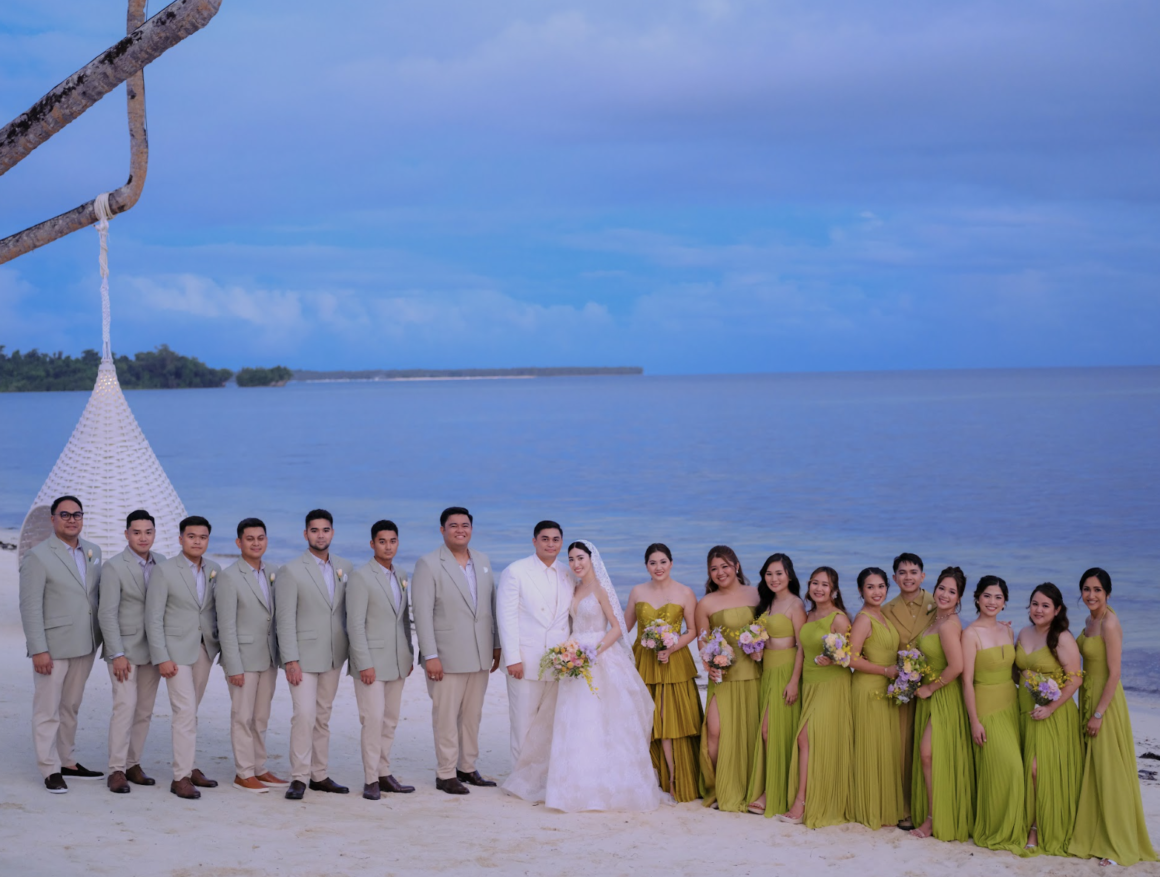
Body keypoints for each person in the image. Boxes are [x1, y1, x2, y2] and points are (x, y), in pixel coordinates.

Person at [503, 541, 668, 811]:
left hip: (599, 657)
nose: (576, 564)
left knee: (602, 719)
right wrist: (569, 654)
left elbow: (617, 628)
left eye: (580, 558)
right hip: (574, 658)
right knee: (572, 719)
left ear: (592, 559)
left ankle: (605, 784)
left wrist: (593, 652)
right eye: (571, 559)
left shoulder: (601, 589)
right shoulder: (575, 587)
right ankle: (571, 784)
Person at [1069, 568, 1157, 867]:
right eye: (1086, 589)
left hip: (1104, 702)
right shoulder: (1089, 620)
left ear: (1107, 593)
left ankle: (1118, 843)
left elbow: (1116, 673)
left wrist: (1098, 714)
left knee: (1110, 771)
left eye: (1097, 590)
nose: (1091, 595)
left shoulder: (1110, 623)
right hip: (1088, 695)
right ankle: (1097, 833)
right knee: (1094, 768)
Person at [411, 507, 501, 795]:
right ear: (443, 530)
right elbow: (422, 613)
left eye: (465, 525)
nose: (460, 530)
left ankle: (467, 767)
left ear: (471, 529)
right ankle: (446, 773)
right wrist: (430, 655)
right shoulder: (428, 564)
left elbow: (491, 606)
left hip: (480, 654)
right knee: (446, 717)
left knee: (472, 716)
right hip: (446, 657)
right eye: (453, 525)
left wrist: (496, 644)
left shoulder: (483, 561)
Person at [19, 495, 105, 793]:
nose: (71, 519)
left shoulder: (94, 551)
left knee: (71, 706)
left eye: (76, 514)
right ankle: (49, 768)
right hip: (52, 646)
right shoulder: (37, 556)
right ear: (53, 519)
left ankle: (67, 760)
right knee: (47, 709)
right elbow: (30, 606)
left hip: (86, 642)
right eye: (65, 514)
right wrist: (38, 649)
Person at [274, 509, 353, 800]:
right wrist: (290, 659)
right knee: (304, 715)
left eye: (325, 530)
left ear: (333, 532)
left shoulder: (345, 567)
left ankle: (319, 775)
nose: (321, 535)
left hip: (334, 654)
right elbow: (284, 619)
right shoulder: (291, 570)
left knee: (322, 716)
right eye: (315, 530)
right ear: (305, 534)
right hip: (303, 657)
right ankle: (299, 776)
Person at [144, 515, 221, 800]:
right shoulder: (164, 571)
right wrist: (161, 657)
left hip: (203, 649)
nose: (197, 541)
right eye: (191, 536)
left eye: (202, 537)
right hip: (175, 652)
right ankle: (181, 777)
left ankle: (190, 765)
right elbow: (153, 617)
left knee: (191, 710)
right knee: (185, 710)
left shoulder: (214, 569)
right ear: (180, 539)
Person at [625, 543, 702, 802]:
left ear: (671, 563)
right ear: (646, 565)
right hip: (643, 662)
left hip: (674, 663)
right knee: (644, 720)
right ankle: (648, 777)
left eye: (663, 562)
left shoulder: (685, 592)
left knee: (670, 721)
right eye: (652, 563)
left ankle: (674, 779)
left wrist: (671, 648)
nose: (658, 567)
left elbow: (692, 630)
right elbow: (623, 627)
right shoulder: (637, 591)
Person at [214, 518, 286, 794]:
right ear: (239, 542)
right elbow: (226, 625)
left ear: (266, 540)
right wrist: (233, 665)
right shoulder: (229, 577)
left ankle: (260, 767)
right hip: (242, 658)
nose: (256, 543)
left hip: (268, 656)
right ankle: (244, 773)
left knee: (261, 716)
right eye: (250, 538)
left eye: (260, 538)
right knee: (242, 716)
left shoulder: (275, 572)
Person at [346, 520, 416, 800]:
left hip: (397, 660)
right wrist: (364, 663)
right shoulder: (361, 577)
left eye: (393, 541)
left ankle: (384, 773)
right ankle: (371, 779)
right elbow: (355, 624)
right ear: (372, 544)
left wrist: (409, 652)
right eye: (382, 541)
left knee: (390, 720)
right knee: (372, 720)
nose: (388, 546)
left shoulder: (402, 574)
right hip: (371, 661)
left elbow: (404, 619)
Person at [1014, 582, 1083, 856]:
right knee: (1025, 769)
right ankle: (1025, 823)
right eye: (1035, 604)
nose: (1038, 610)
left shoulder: (1062, 638)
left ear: (1057, 610)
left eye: (1045, 605)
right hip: (1025, 709)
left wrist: (1051, 708)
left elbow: (1075, 680)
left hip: (1054, 713)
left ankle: (1038, 827)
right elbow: (1016, 671)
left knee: (1037, 769)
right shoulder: (1023, 632)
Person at [961, 575, 1028, 856]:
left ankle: (1013, 824)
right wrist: (974, 721)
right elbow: (966, 681)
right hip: (986, 706)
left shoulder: (1008, 631)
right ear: (977, 598)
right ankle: (997, 828)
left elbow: (1014, 672)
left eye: (998, 597)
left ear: (1005, 602)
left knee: (1016, 767)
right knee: (1009, 768)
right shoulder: (970, 634)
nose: (992, 601)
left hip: (1011, 704)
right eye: (987, 596)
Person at [98, 509, 164, 793]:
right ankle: (116, 769)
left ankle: (133, 763)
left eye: (148, 532)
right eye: (136, 532)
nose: (143, 537)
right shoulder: (114, 567)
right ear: (126, 534)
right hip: (124, 651)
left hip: (154, 650)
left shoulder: (163, 563)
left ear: (154, 533)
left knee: (144, 711)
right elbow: (107, 613)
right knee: (124, 708)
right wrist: (117, 653)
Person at [781, 566, 852, 827]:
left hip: (832, 684)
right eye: (814, 583)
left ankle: (801, 802)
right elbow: (801, 650)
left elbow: (851, 656)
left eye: (825, 584)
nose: (818, 588)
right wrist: (794, 682)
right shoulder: (809, 615)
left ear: (834, 590)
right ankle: (813, 795)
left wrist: (833, 660)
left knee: (804, 738)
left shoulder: (839, 618)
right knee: (813, 741)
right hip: (809, 684)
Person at [497, 520, 573, 764]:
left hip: (559, 663)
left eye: (556, 539)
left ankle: (543, 775)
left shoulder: (569, 572)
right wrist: (513, 658)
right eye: (545, 539)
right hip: (525, 661)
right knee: (523, 723)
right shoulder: (516, 571)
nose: (551, 544)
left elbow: (571, 618)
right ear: (534, 541)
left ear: (561, 542)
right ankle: (520, 776)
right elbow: (506, 617)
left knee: (550, 723)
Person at [694, 545, 761, 812]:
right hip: (722, 674)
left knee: (749, 733)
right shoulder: (706, 603)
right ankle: (718, 787)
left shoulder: (756, 594)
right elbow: (702, 641)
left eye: (725, 566)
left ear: (736, 566)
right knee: (715, 731)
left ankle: (748, 788)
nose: (720, 572)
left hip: (754, 673)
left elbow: (767, 630)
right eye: (714, 568)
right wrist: (709, 664)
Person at [909, 566, 974, 842]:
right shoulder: (936, 617)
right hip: (931, 693)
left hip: (943, 695)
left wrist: (929, 688)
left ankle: (934, 819)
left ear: (959, 597)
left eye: (952, 591)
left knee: (928, 754)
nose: (945, 594)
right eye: (942, 588)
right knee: (932, 756)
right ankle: (933, 814)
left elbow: (957, 666)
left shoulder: (948, 625)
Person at [744, 553, 804, 817]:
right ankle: (771, 787)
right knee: (769, 731)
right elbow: (764, 639)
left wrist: (794, 681)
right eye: (769, 574)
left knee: (772, 731)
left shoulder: (796, 604)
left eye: (779, 573)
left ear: (789, 575)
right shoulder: (766, 603)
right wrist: (755, 651)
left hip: (786, 671)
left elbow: (802, 646)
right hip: (767, 671)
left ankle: (773, 792)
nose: (774, 578)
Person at [881, 551, 934, 829]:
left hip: (931, 686)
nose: (908, 577)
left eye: (913, 572)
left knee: (928, 749)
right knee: (903, 746)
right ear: (894, 578)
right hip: (902, 688)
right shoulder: (887, 609)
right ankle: (904, 807)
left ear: (922, 576)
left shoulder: (937, 603)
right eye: (902, 572)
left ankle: (929, 807)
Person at [848, 567, 904, 830]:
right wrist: (885, 671)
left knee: (883, 746)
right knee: (870, 746)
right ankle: (868, 806)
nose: (876, 591)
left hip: (886, 689)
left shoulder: (883, 615)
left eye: (881, 586)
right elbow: (851, 659)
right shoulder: (863, 619)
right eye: (870, 587)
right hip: (869, 688)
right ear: (861, 590)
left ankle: (882, 806)